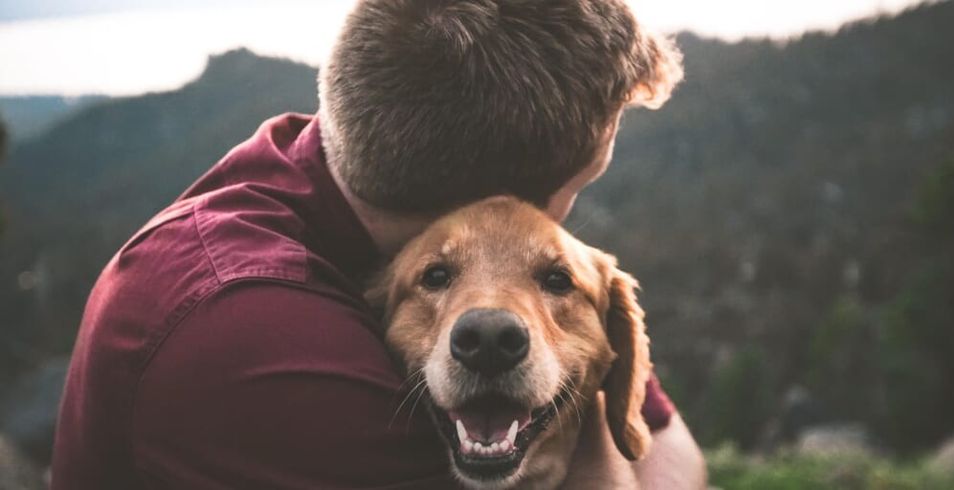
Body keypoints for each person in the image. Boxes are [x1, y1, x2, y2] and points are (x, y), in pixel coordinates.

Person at [51, 0, 704, 488]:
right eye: (579, 185)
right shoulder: (252, 336)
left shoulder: (337, 166)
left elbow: (672, 447)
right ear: (499, 201)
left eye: (551, 273)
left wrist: (590, 409)